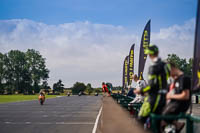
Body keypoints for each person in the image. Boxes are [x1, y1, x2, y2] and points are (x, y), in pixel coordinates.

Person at [134, 45, 171, 124]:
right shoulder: (166, 65)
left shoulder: (153, 67)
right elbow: (168, 81)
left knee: (140, 120)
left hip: (154, 98)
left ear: (150, 54)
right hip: (164, 97)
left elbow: (152, 86)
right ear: (157, 52)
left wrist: (140, 91)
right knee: (157, 123)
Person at [161, 62, 191, 132]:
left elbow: (185, 96)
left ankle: (177, 124)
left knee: (161, 119)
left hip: (180, 105)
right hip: (174, 105)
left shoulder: (184, 78)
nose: (168, 75)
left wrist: (170, 96)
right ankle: (176, 124)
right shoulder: (176, 80)